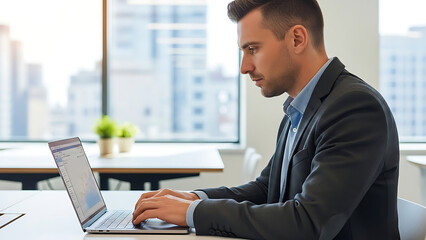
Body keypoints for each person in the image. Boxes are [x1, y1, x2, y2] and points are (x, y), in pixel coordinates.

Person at [132, 0, 400, 239]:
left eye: (252, 49)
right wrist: (194, 198)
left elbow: (309, 223)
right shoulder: (299, 109)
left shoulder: (354, 107)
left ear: (297, 39)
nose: (244, 67)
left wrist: (195, 212)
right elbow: (267, 188)